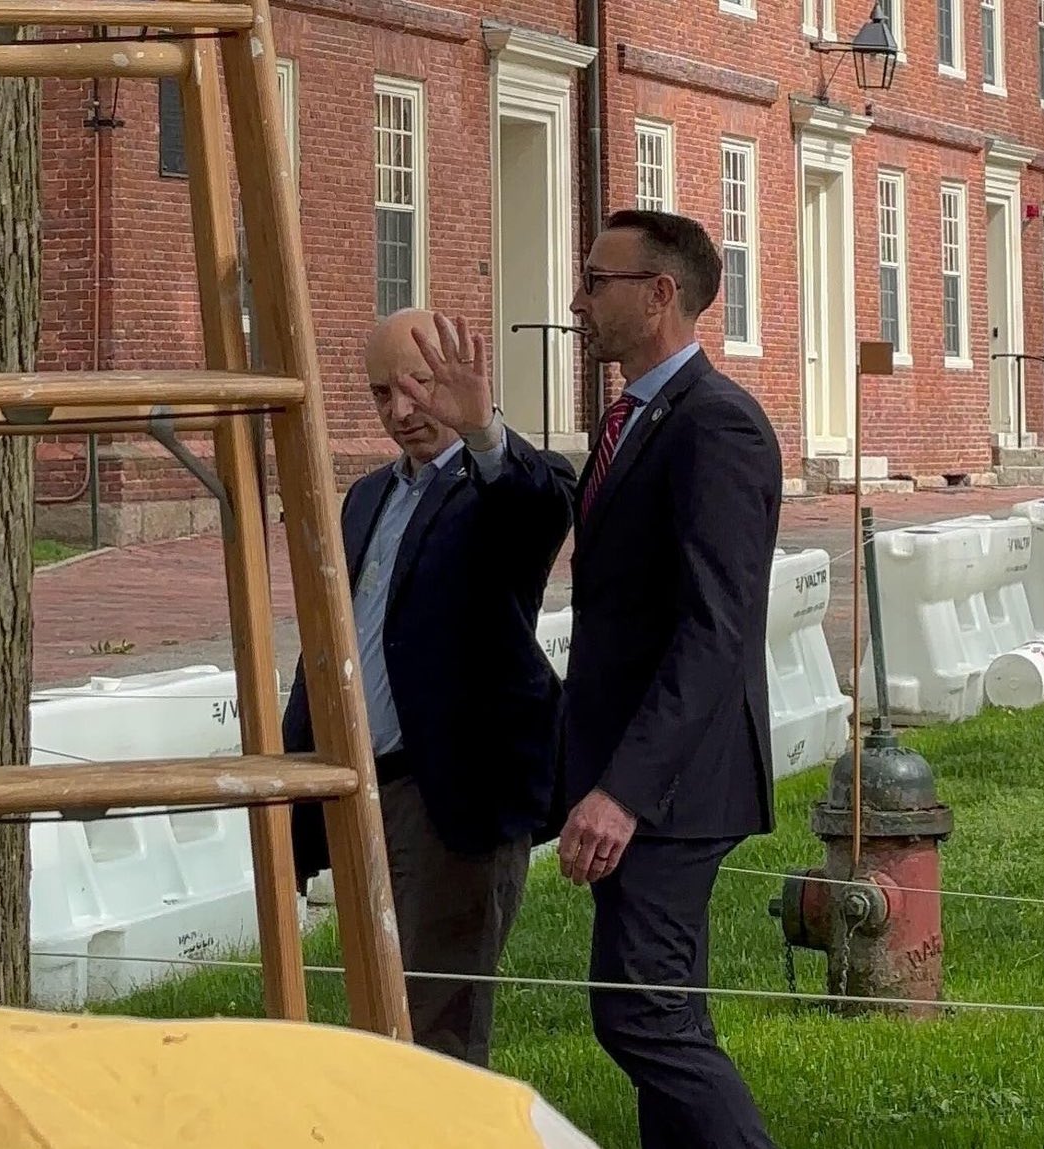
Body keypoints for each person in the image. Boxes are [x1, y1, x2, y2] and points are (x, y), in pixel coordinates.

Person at [282, 307, 576, 1069]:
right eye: (382, 394)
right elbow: (330, 642)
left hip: (452, 800)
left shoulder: (498, 486)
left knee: (435, 1026)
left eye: (418, 387)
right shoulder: (366, 498)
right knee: (371, 1013)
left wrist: (482, 430)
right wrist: (295, 787)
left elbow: (539, 507)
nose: (402, 411)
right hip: (356, 790)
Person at [557, 210, 782, 1149]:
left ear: (658, 296)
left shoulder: (715, 425)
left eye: (596, 280)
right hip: (642, 773)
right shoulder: (637, 418)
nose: (577, 300)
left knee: (640, 1014)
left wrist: (624, 791)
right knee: (667, 1010)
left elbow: (712, 631)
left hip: (677, 787)